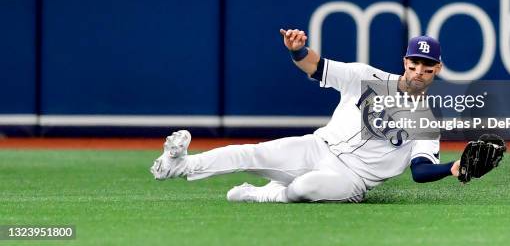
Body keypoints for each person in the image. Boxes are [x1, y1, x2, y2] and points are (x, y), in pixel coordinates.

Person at [150, 29, 461, 203]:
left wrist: (453, 168)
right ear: (405, 61)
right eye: (414, 63)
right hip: (318, 147)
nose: (419, 71)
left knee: (303, 187)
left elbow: (420, 171)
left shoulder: (427, 121)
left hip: (351, 178)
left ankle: (264, 196)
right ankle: (180, 165)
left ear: (438, 69)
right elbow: (317, 66)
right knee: (250, 153)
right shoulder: (367, 76)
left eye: (427, 66)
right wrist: (297, 51)